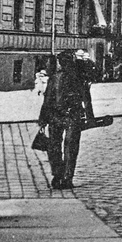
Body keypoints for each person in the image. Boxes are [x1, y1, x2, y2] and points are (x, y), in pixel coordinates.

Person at [38, 49, 95, 189]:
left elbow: (48, 100)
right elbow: (86, 99)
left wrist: (43, 119)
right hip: (65, 117)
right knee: (64, 147)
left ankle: (62, 176)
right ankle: (63, 177)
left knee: (58, 147)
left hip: (63, 116)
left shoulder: (64, 77)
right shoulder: (69, 77)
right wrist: (90, 117)